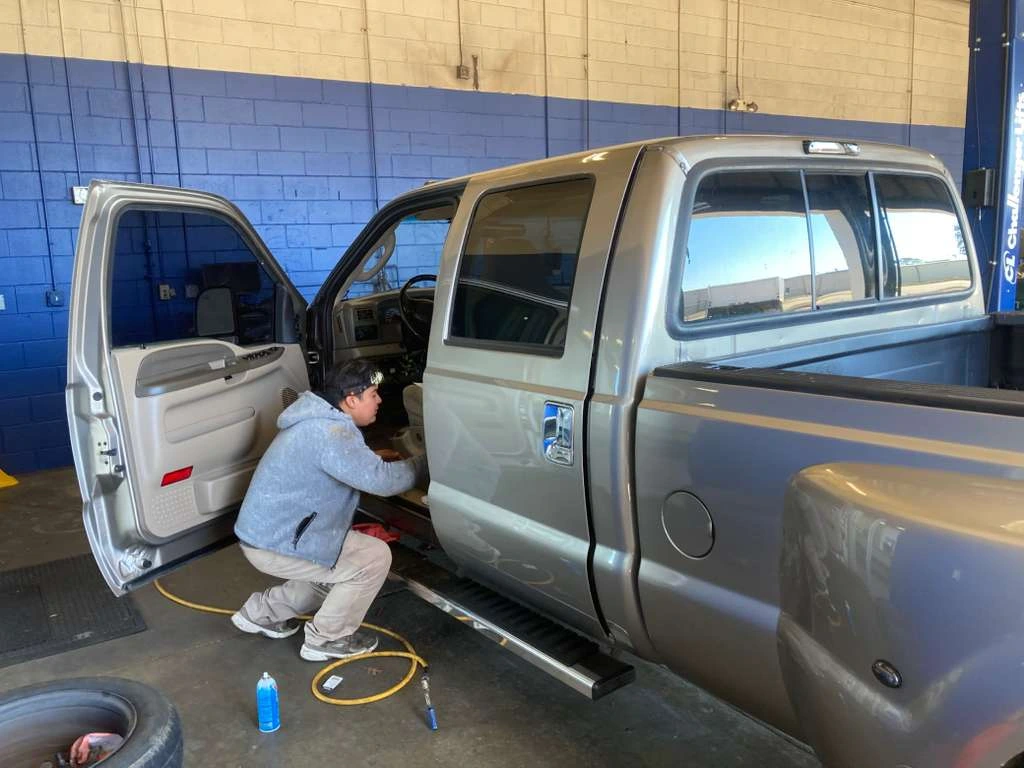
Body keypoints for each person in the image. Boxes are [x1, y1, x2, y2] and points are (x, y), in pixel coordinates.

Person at [231, 360, 426, 661]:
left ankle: (261, 613)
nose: (379, 400)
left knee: (332, 569)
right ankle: (327, 639)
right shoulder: (333, 432)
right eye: (373, 393)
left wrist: (373, 458)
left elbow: (344, 463)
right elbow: (383, 481)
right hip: (278, 542)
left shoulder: (316, 420)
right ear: (351, 399)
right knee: (371, 558)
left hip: (265, 536)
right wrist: (427, 463)